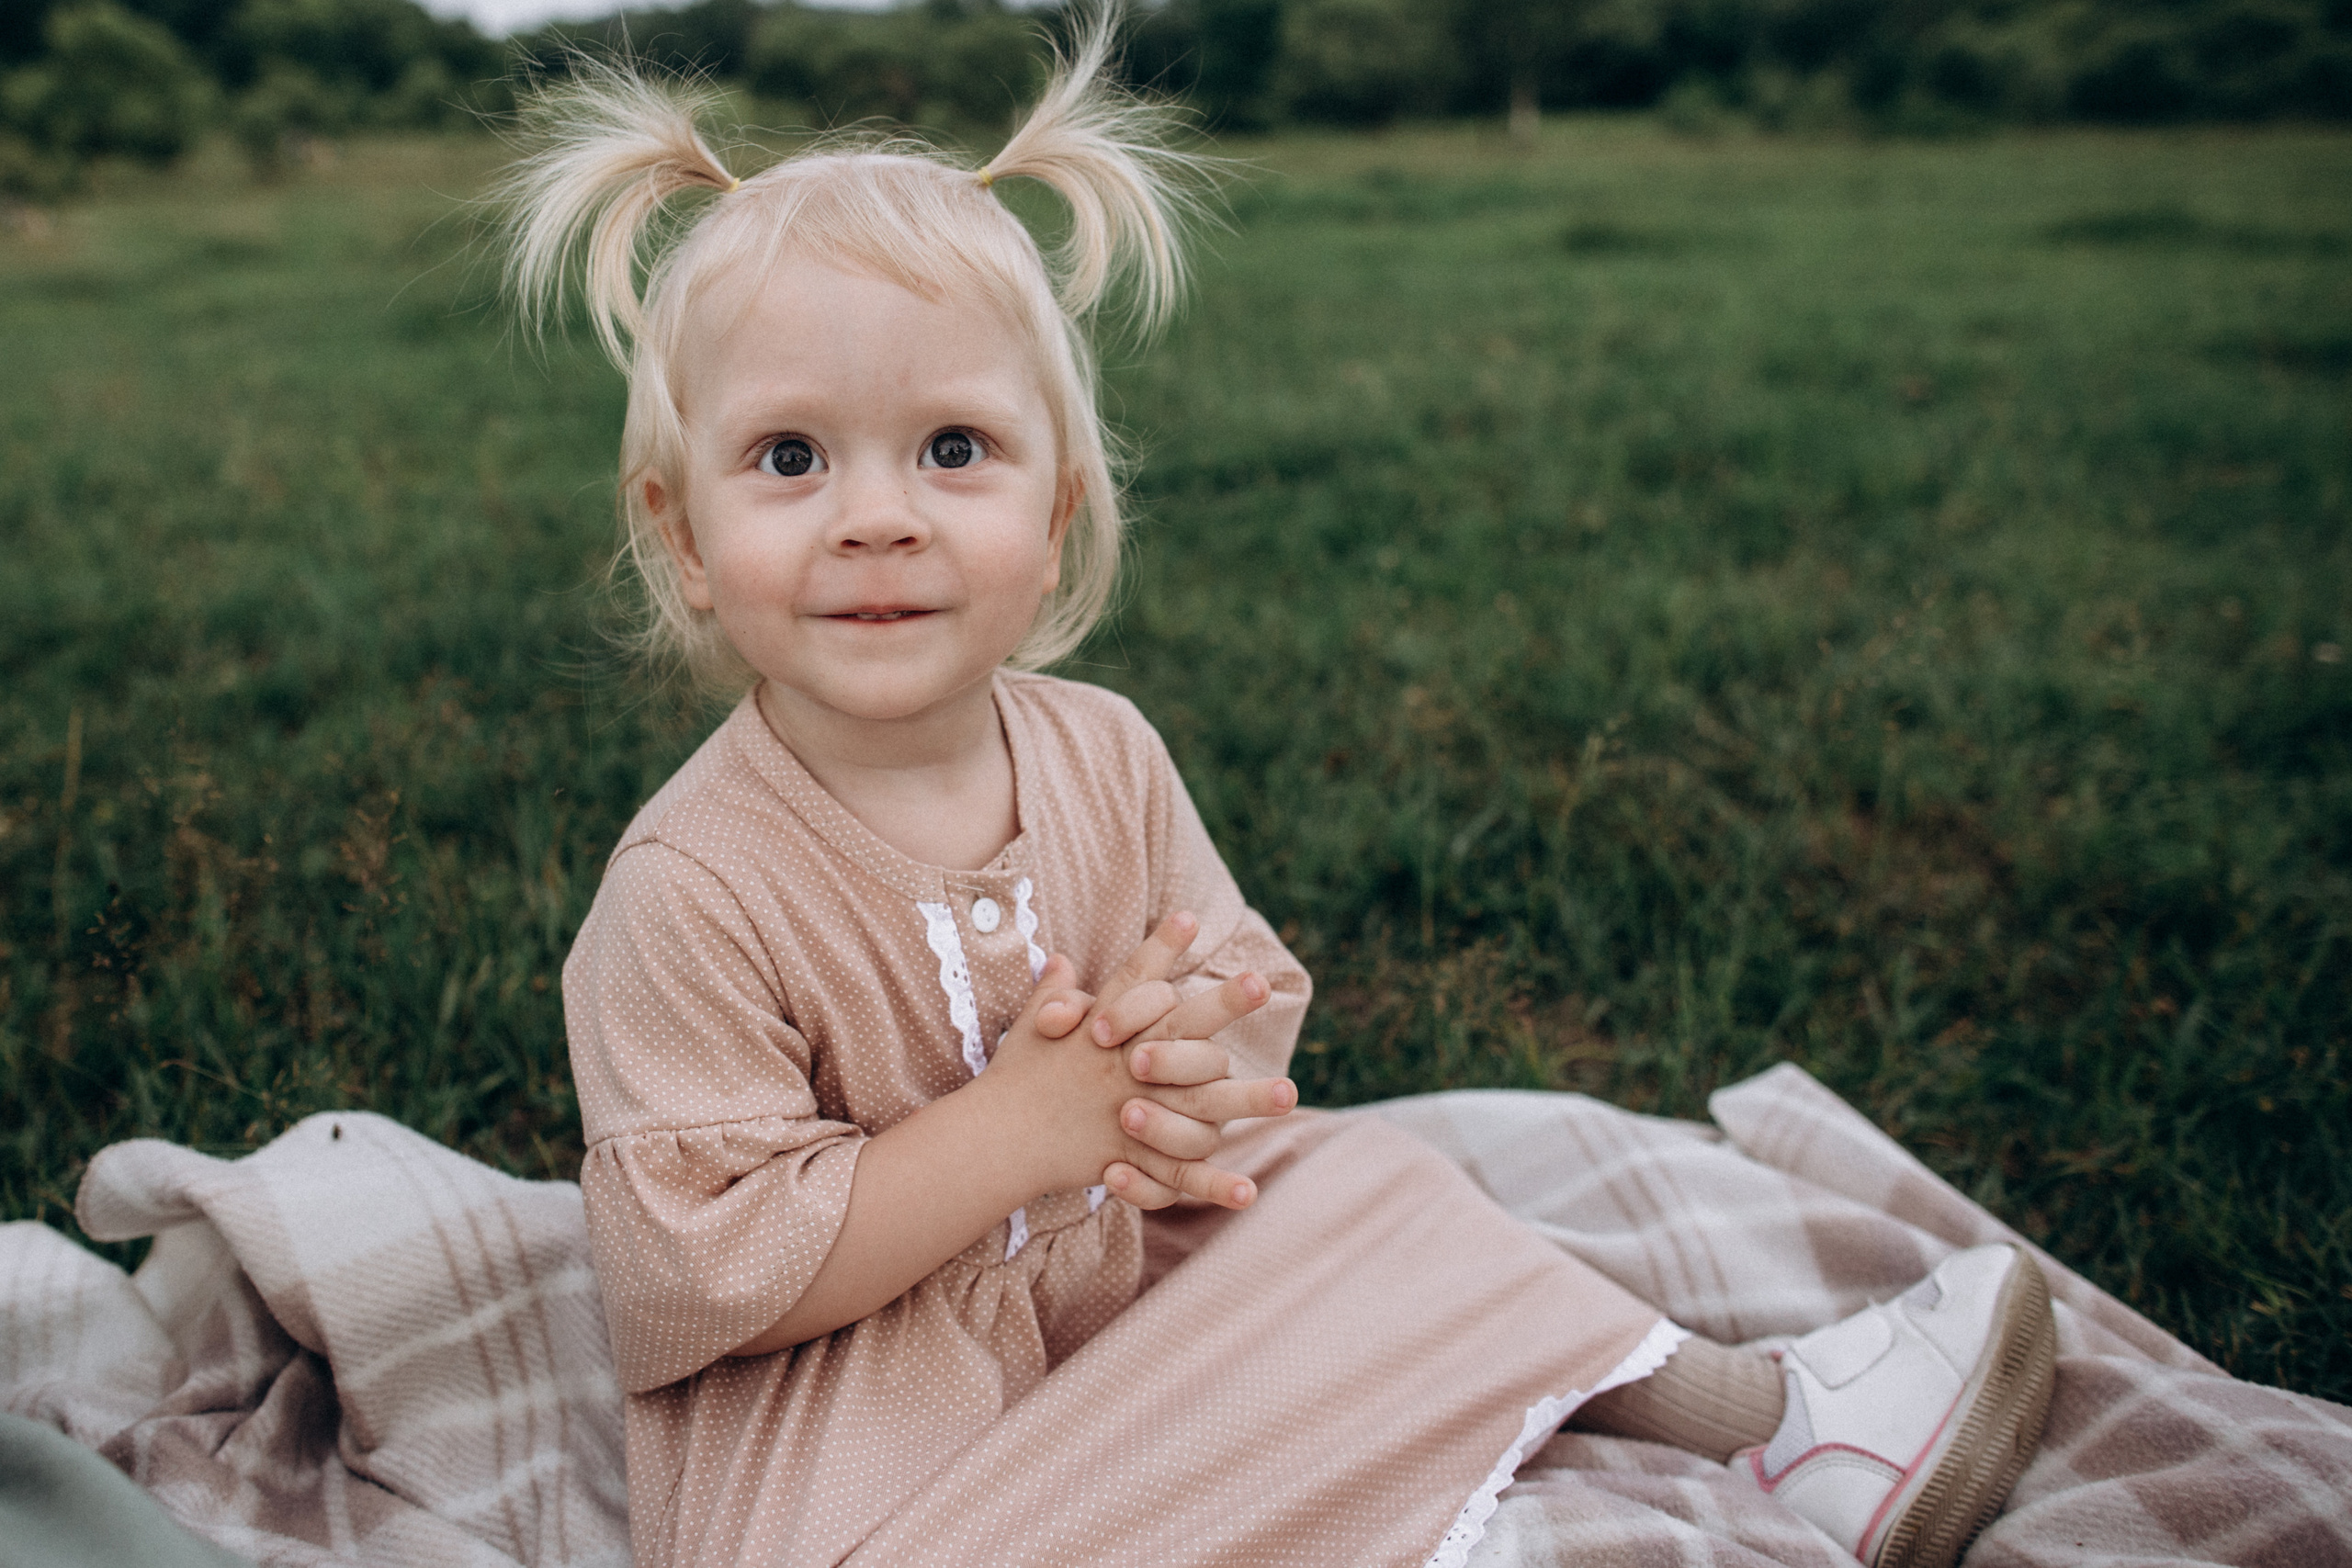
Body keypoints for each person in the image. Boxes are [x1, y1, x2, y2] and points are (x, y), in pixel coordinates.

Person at [517, 13, 2058, 1567]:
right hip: (872, 1471)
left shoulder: (1102, 753)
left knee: (1374, 1182)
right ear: (684, 536)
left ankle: (1771, 1428)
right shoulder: (691, 889)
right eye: (789, 458)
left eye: (952, 448)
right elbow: (689, 1277)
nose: (876, 518)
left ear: (1055, 515)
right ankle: (1442, 1515)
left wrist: (1182, 1071)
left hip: (1109, 1325)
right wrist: (1019, 1133)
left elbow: (1241, 994)